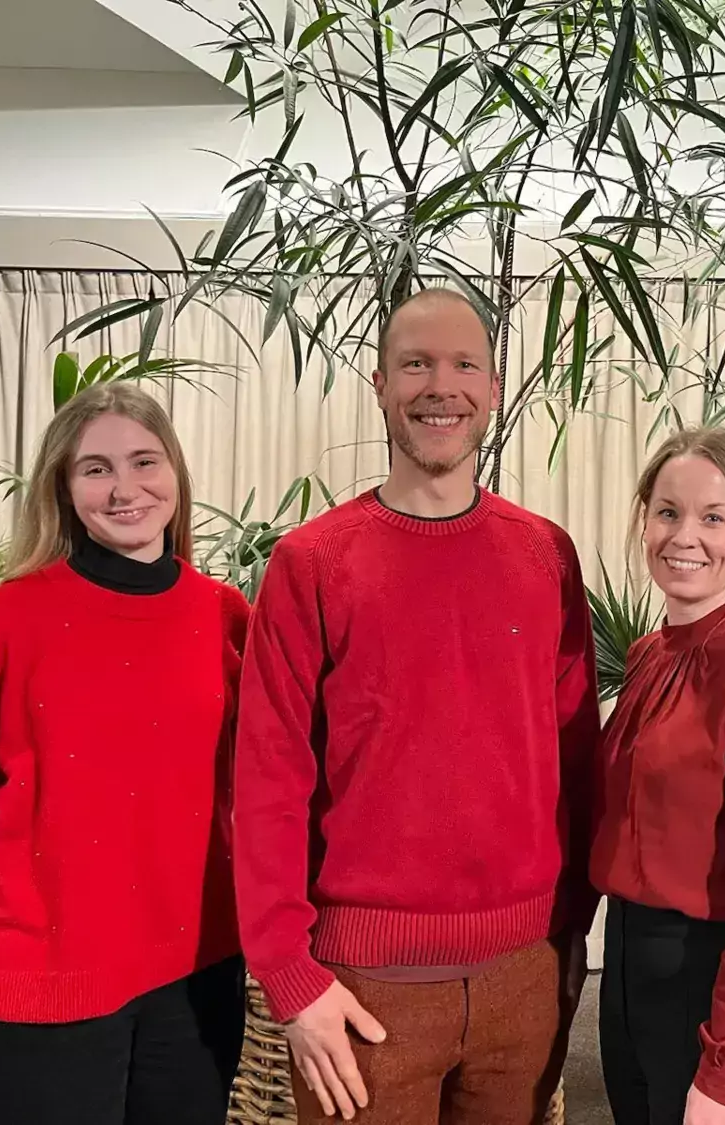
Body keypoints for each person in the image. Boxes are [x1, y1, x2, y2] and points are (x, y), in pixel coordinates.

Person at [232, 286, 601, 1125]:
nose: (443, 385)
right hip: (364, 989)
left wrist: (569, 932)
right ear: (380, 385)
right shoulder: (312, 562)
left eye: (464, 363)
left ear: (495, 385)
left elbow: (576, 756)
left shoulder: (546, 554)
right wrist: (291, 979)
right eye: (417, 364)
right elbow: (266, 782)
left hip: (524, 976)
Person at [0, 383, 253, 1125]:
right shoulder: (3, 621)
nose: (125, 488)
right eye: (95, 468)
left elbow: (257, 789)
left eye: (144, 461)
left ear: (176, 474)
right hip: (39, 981)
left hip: (196, 972)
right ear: (62, 487)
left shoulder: (224, 616)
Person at [590, 427, 725, 1125]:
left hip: (711, 982)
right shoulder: (649, 652)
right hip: (628, 971)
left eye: (713, 516)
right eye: (667, 511)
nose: (685, 535)